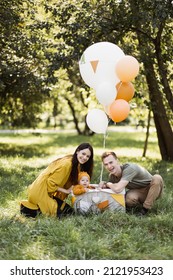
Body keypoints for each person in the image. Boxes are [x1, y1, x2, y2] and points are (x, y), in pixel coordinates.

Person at [20, 143, 94, 218]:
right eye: (83, 154)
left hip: (44, 192)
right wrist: (66, 191)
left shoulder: (74, 162)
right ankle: (29, 209)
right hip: (40, 193)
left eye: (87, 156)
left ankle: (34, 207)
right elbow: (50, 184)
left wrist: (88, 186)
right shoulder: (67, 165)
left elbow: (76, 182)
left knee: (69, 210)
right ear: (77, 151)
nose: (85, 157)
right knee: (68, 214)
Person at [100, 151, 164, 216]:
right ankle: (139, 206)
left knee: (157, 178)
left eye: (111, 162)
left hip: (153, 188)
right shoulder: (112, 176)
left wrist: (108, 184)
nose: (109, 166)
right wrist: (104, 184)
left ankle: (144, 210)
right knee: (129, 198)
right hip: (139, 191)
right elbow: (111, 189)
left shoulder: (129, 168)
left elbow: (117, 188)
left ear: (117, 161)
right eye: (106, 164)